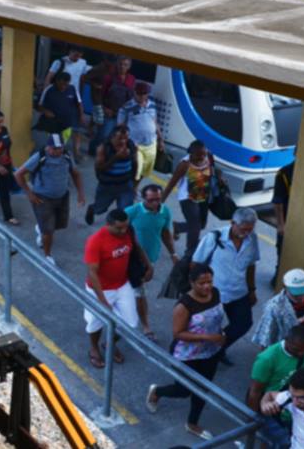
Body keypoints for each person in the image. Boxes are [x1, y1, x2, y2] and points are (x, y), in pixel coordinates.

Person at [146, 262, 226, 441]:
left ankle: (192, 423)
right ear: (191, 283)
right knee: (184, 390)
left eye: (209, 282)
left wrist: (219, 336)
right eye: (201, 283)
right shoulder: (184, 305)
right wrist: (208, 337)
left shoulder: (216, 293)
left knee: (203, 388)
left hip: (211, 352)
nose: (207, 286)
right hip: (187, 355)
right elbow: (178, 333)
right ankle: (157, 392)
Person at [84, 208, 151, 369]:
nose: (123, 231)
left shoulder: (128, 232)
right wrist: (102, 301)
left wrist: (149, 265)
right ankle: (94, 348)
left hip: (122, 285)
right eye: (119, 228)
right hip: (100, 289)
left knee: (131, 323)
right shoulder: (96, 241)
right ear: (108, 225)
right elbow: (92, 272)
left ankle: (109, 343)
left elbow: (136, 246)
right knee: (95, 322)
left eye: (126, 227)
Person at [193, 207, 260, 364]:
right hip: (214, 293)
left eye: (250, 230)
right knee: (207, 326)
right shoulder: (214, 238)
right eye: (243, 229)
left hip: (239, 292)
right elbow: (195, 264)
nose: (246, 233)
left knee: (243, 324)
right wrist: (198, 291)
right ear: (232, 223)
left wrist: (252, 289)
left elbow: (251, 265)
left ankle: (218, 348)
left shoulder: (253, 239)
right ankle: (203, 354)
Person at [250, 326, 304, 448]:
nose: (301, 353)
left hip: (300, 410)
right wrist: (254, 419)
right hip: (273, 409)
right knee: (277, 442)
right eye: (296, 349)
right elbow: (255, 391)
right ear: (286, 340)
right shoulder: (267, 358)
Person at [14, 133, 86, 265]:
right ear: (47, 147)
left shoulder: (66, 156)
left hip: (62, 196)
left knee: (60, 225)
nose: (57, 151)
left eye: (60, 148)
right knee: (48, 232)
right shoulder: (39, 157)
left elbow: (75, 173)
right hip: (42, 199)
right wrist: (30, 194)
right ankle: (47, 256)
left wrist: (81, 194)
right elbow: (18, 174)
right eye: (54, 148)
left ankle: (41, 228)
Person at [125, 184, 176, 340]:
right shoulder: (131, 212)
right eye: (151, 200)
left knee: (138, 292)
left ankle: (142, 323)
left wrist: (173, 253)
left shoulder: (165, 211)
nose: (155, 203)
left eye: (158, 199)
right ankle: (146, 326)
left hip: (149, 259)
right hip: (128, 260)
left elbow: (165, 233)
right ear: (143, 198)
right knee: (138, 293)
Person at [252, 268, 304, 364]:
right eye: (296, 294)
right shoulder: (275, 307)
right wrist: (266, 363)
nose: (301, 297)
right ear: (285, 287)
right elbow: (266, 340)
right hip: (287, 354)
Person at [161, 139, 224, 255]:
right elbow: (172, 183)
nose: (201, 158)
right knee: (195, 224)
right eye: (198, 155)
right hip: (187, 198)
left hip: (203, 195)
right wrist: (161, 201)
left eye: (203, 154)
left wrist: (219, 178)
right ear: (191, 153)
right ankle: (190, 252)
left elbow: (213, 170)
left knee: (202, 224)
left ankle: (177, 227)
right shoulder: (184, 165)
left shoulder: (208, 157)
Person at [117, 81, 163, 192]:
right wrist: (124, 142)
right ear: (135, 93)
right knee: (136, 168)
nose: (142, 96)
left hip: (151, 143)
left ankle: (134, 188)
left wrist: (160, 139)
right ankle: (126, 189)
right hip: (135, 144)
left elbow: (155, 122)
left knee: (144, 171)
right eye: (140, 93)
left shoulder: (152, 105)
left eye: (144, 93)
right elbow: (120, 126)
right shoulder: (126, 107)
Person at [86, 125, 137, 225]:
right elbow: (99, 168)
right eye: (120, 138)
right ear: (112, 137)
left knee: (125, 212)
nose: (123, 141)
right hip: (107, 186)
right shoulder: (103, 148)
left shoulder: (131, 146)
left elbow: (135, 163)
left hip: (125, 186)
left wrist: (134, 183)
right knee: (100, 209)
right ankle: (92, 209)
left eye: (125, 138)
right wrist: (116, 158)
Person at [271, 154, 296, 287]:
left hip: (301, 218)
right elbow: (278, 202)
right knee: (283, 249)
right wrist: (281, 225)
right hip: (287, 217)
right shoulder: (285, 173)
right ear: (296, 154)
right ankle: (278, 277)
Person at [38, 71, 82, 147]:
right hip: (53, 123)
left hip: (67, 122)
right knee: (54, 143)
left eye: (66, 85)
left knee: (61, 143)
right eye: (61, 84)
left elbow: (79, 103)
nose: (63, 87)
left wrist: (81, 116)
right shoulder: (48, 90)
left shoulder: (72, 88)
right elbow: (39, 106)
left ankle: (58, 152)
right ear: (56, 81)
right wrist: (46, 112)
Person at [100, 55, 135, 144]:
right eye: (120, 64)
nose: (122, 67)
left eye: (125, 65)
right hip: (110, 112)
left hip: (123, 114)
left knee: (118, 136)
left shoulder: (131, 79)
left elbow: (131, 98)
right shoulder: (109, 77)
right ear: (117, 64)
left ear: (129, 67)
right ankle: (94, 149)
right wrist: (105, 109)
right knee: (105, 134)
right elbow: (101, 95)